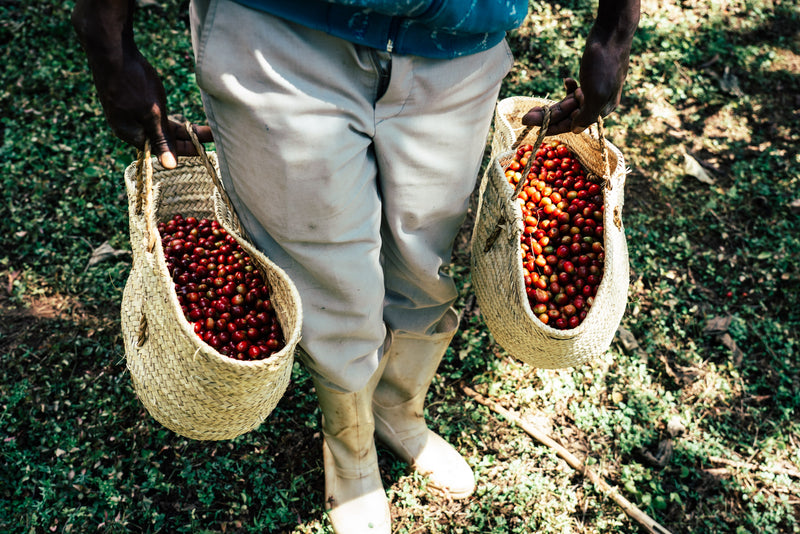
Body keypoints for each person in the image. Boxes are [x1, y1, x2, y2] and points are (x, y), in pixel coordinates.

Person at [72, 1, 639, 532]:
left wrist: (614, 32)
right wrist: (108, 41)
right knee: (327, 279)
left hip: (461, 36)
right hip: (281, 32)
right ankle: (350, 442)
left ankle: (397, 407)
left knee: (424, 254)